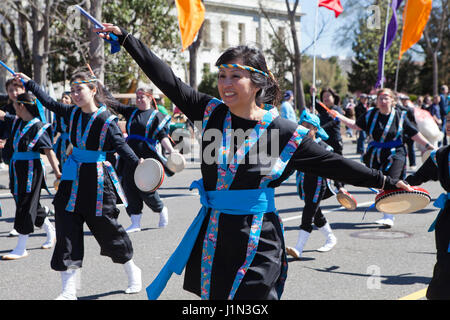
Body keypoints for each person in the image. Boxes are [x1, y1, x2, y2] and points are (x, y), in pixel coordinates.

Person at [95, 23, 411, 300]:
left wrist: (385, 182)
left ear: (258, 82)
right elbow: (168, 81)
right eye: (221, 75)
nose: (225, 83)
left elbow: (334, 163)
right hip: (214, 235)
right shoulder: (212, 112)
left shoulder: (284, 131)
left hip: (259, 239)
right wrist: (127, 40)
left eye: (236, 75)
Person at [15, 71, 143, 300]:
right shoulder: (72, 113)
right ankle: (69, 290)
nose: (74, 94)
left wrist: (139, 164)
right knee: (66, 232)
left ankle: (133, 272)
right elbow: (49, 102)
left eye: (79, 89)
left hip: (97, 182)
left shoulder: (106, 120)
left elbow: (122, 147)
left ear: (93, 90)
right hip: (71, 180)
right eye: (72, 90)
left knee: (109, 230)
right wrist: (29, 83)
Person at [333, 88, 436, 228]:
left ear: (392, 100)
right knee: (380, 183)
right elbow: (355, 126)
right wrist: (338, 115)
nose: (382, 101)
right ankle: (387, 213)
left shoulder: (400, 115)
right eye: (380, 98)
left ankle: (389, 216)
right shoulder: (371, 115)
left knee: (392, 181)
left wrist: (429, 146)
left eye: (386, 98)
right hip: (375, 153)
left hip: (396, 153)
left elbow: (414, 133)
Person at [103, 85, 176, 232]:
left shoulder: (156, 116)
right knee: (129, 187)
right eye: (137, 97)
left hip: (147, 157)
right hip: (129, 156)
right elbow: (112, 102)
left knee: (146, 189)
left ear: (150, 97)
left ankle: (161, 209)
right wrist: (100, 86)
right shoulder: (131, 112)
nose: (139, 99)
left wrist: (172, 152)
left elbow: (162, 137)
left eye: (142, 96)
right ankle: (135, 222)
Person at [0, 93, 60, 260]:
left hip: (31, 169)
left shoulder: (39, 126)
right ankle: (50, 230)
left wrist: (57, 172)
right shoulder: (17, 121)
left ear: (22, 106)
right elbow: (3, 115)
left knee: (25, 204)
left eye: (15, 104)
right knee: (26, 202)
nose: (12, 108)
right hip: (17, 168)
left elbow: (49, 152)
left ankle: (21, 247)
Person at [405, 111, 450, 299]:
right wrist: (391, 186)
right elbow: (416, 178)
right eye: (449, 122)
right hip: (449, 219)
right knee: (445, 263)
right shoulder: (441, 155)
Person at [286, 110, 337, 259]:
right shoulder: (298, 145)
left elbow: (336, 166)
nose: (305, 128)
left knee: (308, 213)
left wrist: (340, 186)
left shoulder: (323, 147)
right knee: (316, 213)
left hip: (318, 184)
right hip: (304, 183)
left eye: (309, 126)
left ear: (316, 129)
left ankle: (299, 248)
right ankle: (330, 238)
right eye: (302, 125)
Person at [52, 91, 72, 170]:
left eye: (66, 98)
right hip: (61, 143)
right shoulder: (58, 114)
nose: (63, 100)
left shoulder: (75, 113)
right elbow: (56, 129)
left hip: (72, 142)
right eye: (62, 98)